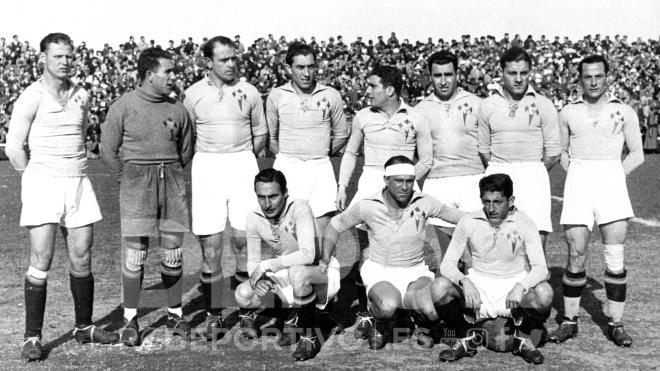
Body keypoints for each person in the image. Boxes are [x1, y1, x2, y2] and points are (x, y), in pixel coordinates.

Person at [6, 32, 118, 362]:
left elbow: (80, 136)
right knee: (41, 260)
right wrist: (33, 177)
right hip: (43, 183)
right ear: (44, 59)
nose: (66, 62)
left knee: (82, 256)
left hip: (79, 183)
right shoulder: (31, 96)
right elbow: (14, 146)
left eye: (70, 56)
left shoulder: (81, 94)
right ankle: (32, 338)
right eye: (58, 57)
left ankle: (84, 328)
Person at [100, 47, 194, 347]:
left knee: (172, 252)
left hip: (171, 182)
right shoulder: (124, 105)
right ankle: (130, 318)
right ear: (149, 74)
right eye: (168, 71)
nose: (173, 77)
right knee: (135, 253)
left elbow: (186, 149)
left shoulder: (177, 108)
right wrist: (125, 177)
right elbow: (107, 149)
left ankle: (176, 313)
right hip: (137, 183)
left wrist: (172, 173)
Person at [549, 55, 644, 347]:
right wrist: (577, 174)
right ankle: (569, 321)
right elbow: (561, 151)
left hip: (611, 185)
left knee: (614, 259)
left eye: (598, 76)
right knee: (576, 253)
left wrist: (616, 175)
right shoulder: (567, 112)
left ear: (607, 78)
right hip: (579, 184)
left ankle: (616, 323)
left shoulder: (624, 110)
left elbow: (637, 153)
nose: (593, 82)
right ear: (579, 79)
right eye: (587, 77)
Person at [322, 156, 463, 350]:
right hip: (381, 270)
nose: (405, 187)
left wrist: (496, 216)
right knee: (388, 306)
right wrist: (324, 257)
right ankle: (381, 322)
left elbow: (459, 217)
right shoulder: (367, 205)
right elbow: (334, 226)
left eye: (409, 181)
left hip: (415, 272)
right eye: (398, 181)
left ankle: (418, 321)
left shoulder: (424, 202)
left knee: (432, 311)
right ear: (386, 180)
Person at [335, 65, 433, 335]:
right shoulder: (363, 116)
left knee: (402, 249)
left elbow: (426, 159)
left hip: (401, 187)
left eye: (372, 86)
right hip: (369, 184)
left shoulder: (416, 117)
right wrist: (343, 186)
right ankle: (369, 312)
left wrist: (405, 180)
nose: (367, 91)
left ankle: (404, 309)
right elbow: (351, 153)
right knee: (367, 252)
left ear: (389, 90)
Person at [183, 35, 267, 340]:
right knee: (211, 248)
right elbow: (188, 138)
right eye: (224, 59)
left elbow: (260, 135)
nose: (231, 64)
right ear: (209, 62)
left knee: (245, 242)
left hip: (243, 164)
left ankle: (247, 313)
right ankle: (215, 315)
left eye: (234, 58)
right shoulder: (192, 95)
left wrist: (243, 159)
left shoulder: (250, 92)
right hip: (207, 166)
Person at [435, 173, 553, 364]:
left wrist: (520, 286)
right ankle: (465, 338)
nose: (491, 208)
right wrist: (464, 281)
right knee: (439, 287)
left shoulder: (526, 223)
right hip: (479, 287)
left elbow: (541, 269)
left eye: (497, 202)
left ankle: (524, 339)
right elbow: (447, 264)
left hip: (512, 287)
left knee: (544, 292)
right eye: (486, 202)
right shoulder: (468, 221)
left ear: (511, 200)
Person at [235, 168, 341, 361]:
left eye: (273, 196)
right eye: (261, 197)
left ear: (285, 193)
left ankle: (309, 337)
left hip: (323, 274)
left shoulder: (299, 207)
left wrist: (268, 266)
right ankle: (295, 315)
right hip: (289, 272)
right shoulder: (253, 218)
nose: (267, 204)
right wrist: (259, 280)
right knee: (243, 294)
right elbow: (253, 262)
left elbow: (308, 255)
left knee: (299, 274)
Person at [477, 47, 560, 248]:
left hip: (533, 174)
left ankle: (536, 278)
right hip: (499, 171)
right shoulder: (488, 105)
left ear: (530, 73)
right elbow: (483, 149)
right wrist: (501, 173)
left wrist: (532, 170)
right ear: (502, 73)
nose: (518, 79)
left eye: (524, 73)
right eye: (512, 73)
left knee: (535, 240)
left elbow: (554, 152)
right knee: (498, 239)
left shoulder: (543, 104)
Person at [266, 42, 349, 234]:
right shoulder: (277, 95)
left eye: (311, 67)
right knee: (287, 234)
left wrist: (320, 151)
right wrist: (290, 155)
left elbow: (342, 134)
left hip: (320, 167)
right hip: (288, 167)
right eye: (300, 67)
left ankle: (323, 265)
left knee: (323, 233)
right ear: (288, 69)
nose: (306, 73)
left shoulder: (331, 95)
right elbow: (271, 137)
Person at [414, 50, 484, 259]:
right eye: (437, 75)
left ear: (457, 74)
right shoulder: (420, 109)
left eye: (448, 74)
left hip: (473, 180)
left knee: (477, 255)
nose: (443, 81)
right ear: (430, 76)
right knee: (448, 258)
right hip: (438, 184)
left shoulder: (477, 103)